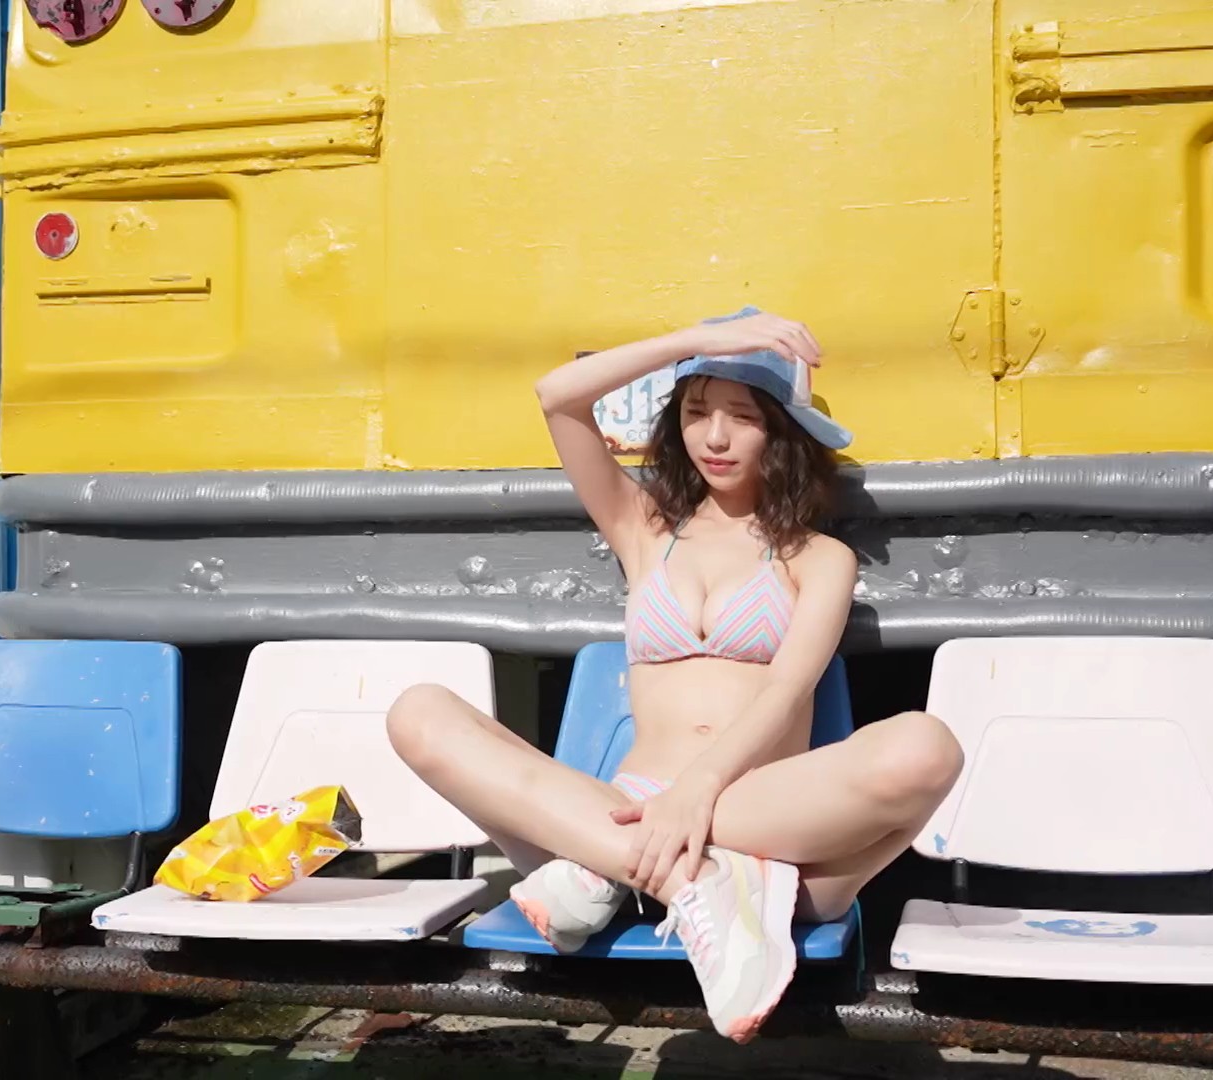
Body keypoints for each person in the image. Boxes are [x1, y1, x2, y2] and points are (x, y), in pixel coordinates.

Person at [385, 307, 964, 1042]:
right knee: (419, 711)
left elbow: (787, 689)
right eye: (696, 412)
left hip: (749, 814)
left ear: (782, 432)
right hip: (619, 813)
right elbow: (557, 395)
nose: (714, 437)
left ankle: (619, 876)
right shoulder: (643, 526)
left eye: (742, 417)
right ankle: (698, 882)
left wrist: (696, 793)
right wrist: (696, 343)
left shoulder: (819, 557)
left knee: (926, 747)